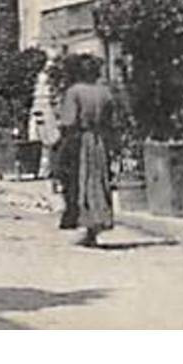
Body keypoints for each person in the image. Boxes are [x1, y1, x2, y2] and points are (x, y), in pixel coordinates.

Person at [57, 54, 116, 247]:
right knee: (99, 180)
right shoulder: (105, 92)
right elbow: (111, 121)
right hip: (100, 140)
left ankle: (87, 224)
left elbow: (69, 121)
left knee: (79, 180)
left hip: (80, 139)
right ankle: (95, 225)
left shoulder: (75, 92)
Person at [28, 52, 62, 180]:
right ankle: (45, 169)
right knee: (44, 138)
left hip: (45, 107)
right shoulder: (44, 78)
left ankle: (47, 169)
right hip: (43, 107)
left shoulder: (49, 80)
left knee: (48, 139)